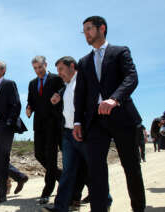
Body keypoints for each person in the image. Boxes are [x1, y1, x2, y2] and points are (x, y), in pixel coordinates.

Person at [73, 16, 145, 212]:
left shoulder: (120, 51)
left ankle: (138, 208)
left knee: (131, 168)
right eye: (84, 30)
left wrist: (115, 99)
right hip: (95, 122)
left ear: (101, 28)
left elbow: (131, 77)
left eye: (89, 29)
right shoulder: (84, 61)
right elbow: (80, 95)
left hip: (122, 117)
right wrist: (78, 121)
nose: (86, 33)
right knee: (95, 170)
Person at [40, 56, 112, 212]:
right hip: (67, 133)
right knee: (68, 172)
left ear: (72, 66)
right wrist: (56, 98)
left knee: (95, 169)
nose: (59, 73)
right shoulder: (66, 86)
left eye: (61, 69)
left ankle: (105, 201)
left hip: (84, 132)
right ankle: (61, 207)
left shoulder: (84, 80)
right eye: (57, 70)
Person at [0, 60, 28, 204]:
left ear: (3, 71)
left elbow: (16, 104)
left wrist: (9, 122)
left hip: (5, 125)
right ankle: (19, 177)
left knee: (2, 158)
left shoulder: (9, 84)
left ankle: (1, 193)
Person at [26, 55, 64, 204]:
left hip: (54, 123)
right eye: (35, 68)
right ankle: (62, 177)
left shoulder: (56, 79)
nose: (38, 71)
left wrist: (59, 95)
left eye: (40, 67)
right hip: (39, 124)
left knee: (51, 156)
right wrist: (29, 108)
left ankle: (47, 191)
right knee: (39, 154)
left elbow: (64, 91)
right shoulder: (32, 83)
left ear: (45, 65)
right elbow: (31, 101)